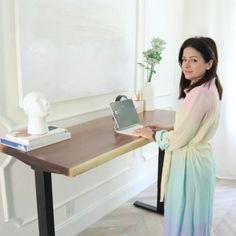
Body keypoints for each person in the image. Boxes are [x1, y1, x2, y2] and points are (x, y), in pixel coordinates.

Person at [135, 36, 223, 236]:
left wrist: (153, 135)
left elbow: (177, 141)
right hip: (201, 161)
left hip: (189, 166)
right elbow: (193, 126)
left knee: (184, 219)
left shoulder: (198, 95)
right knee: (194, 219)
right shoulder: (210, 88)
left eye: (194, 60)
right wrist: (167, 127)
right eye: (184, 59)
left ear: (209, 63)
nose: (186, 65)